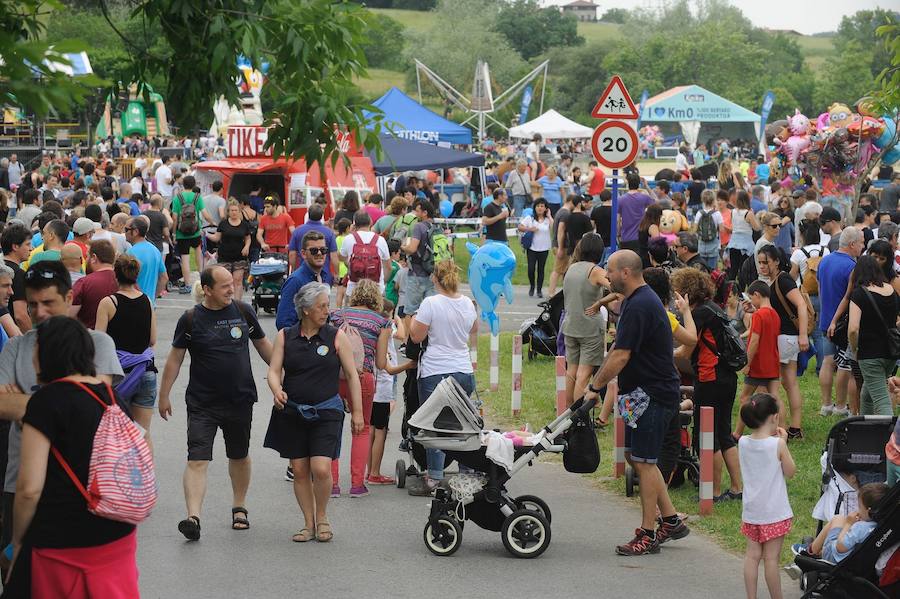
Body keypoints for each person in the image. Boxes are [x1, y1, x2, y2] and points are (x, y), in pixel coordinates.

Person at [0, 260, 123, 588]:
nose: (39, 313)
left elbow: (96, 407)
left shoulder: (98, 343)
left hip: (84, 484)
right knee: (14, 571)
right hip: (18, 478)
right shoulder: (16, 346)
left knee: (72, 578)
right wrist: (63, 405)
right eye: (32, 304)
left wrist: (30, 404)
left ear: (69, 298)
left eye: (48, 303)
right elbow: (2, 404)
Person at [582, 250, 689, 555]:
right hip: (636, 393)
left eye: (610, 271)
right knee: (634, 456)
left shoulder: (641, 304)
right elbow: (620, 347)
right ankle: (670, 519)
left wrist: (594, 387)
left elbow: (620, 354)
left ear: (626, 273)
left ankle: (648, 533)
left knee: (644, 461)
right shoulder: (633, 301)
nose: (606, 275)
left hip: (652, 393)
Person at [158, 266, 273, 540]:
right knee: (197, 459)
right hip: (202, 402)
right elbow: (175, 359)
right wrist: (163, 395)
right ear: (207, 290)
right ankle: (193, 517)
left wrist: (287, 375)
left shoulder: (243, 312)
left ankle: (239, 506)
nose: (230, 289)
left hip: (239, 399)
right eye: (223, 286)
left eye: (231, 284)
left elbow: (264, 346)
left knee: (239, 455)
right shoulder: (190, 319)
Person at [263, 282, 364, 543]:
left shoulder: (335, 336)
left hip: (327, 411)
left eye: (327, 306)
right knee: (299, 469)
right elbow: (274, 371)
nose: (326, 311)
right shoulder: (286, 335)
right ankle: (307, 523)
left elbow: (352, 375)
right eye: (321, 306)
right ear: (306, 309)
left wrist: (357, 412)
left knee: (320, 468)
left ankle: (322, 517)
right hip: (293, 411)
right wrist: (277, 390)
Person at [671, 267, 742, 501]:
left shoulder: (698, 314)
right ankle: (736, 488)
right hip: (727, 377)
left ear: (686, 293)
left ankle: (712, 491)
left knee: (707, 434)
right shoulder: (714, 308)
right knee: (724, 432)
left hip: (710, 377)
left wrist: (663, 353)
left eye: (678, 293)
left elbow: (686, 349)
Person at [408, 260, 478, 495]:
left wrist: (412, 321)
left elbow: (416, 337)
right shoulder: (467, 303)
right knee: (462, 423)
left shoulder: (431, 303)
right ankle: (467, 473)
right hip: (462, 366)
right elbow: (473, 329)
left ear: (434, 279)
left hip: (436, 368)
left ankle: (434, 477)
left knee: (433, 425)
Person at [329, 279, 391, 498]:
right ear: (376, 298)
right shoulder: (381, 322)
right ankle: (356, 485)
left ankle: (332, 484)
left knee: (331, 429)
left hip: (335, 377)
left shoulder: (337, 316)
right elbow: (381, 363)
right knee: (362, 429)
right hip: (363, 378)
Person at [738, 393, 796, 599]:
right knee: (771, 559)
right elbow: (790, 471)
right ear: (774, 417)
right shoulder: (777, 445)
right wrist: (784, 442)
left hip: (752, 510)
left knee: (752, 556)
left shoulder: (743, 442)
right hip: (774, 511)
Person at [94, 254, 157, 439]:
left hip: (119, 372)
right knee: (142, 433)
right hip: (145, 370)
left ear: (116, 275)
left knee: (114, 432)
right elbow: (152, 339)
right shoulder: (146, 300)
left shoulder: (108, 303)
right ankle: (146, 468)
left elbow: (100, 342)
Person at [819, 227, 864, 416]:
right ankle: (840, 406)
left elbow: (821, 289)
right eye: (861, 242)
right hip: (844, 323)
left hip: (825, 318)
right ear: (852, 244)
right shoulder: (852, 267)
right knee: (845, 365)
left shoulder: (824, 261)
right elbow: (851, 297)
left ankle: (826, 404)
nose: (863, 246)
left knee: (828, 362)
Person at [562, 234, 609, 408]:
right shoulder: (595, 271)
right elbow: (617, 288)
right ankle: (578, 415)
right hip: (589, 327)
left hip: (570, 325)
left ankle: (567, 412)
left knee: (572, 371)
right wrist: (601, 302)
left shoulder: (571, 268)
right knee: (584, 373)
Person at [847, 255, 899, 416]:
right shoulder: (891, 290)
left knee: (881, 399)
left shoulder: (859, 294)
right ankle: (865, 427)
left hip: (870, 354)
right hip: (891, 352)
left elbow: (853, 329)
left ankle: (890, 437)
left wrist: (854, 348)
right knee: (867, 394)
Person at [367, 299, 411, 485]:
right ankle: (375, 473)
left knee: (370, 431)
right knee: (380, 432)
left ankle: (369, 471)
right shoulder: (384, 332)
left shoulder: (371, 329)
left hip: (371, 389)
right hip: (382, 390)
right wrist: (411, 364)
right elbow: (390, 369)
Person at [794, 483, 889, 563]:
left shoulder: (861, 528)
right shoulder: (884, 526)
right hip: (860, 560)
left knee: (838, 519)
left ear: (869, 510)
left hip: (837, 558)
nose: (858, 510)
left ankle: (811, 551)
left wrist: (848, 524)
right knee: (841, 523)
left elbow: (840, 547)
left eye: (860, 507)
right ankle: (818, 551)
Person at [734, 281, 781, 437]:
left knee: (745, 398)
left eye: (751, 298)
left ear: (757, 295)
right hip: (773, 362)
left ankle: (737, 433)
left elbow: (754, 341)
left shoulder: (759, 315)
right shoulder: (774, 313)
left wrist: (747, 363)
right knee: (774, 399)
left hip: (758, 364)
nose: (750, 302)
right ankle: (777, 431)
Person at [275, 230, 334, 331]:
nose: (320, 253)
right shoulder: (295, 281)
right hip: (302, 343)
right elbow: (283, 322)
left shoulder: (325, 276)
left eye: (323, 250)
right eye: (314, 250)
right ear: (303, 253)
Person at [204, 200, 251, 301]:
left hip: (240, 256)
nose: (234, 212)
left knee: (237, 281)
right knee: (225, 281)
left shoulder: (244, 225)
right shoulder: (223, 224)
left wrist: (246, 247)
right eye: (232, 210)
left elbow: (248, 238)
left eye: (236, 210)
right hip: (224, 256)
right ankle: (227, 301)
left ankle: (238, 303)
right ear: (228, 212)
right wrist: (206, 235)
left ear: (239, 212)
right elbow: (217, 238)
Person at [340, 211, 390, 298]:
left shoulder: (348, 239)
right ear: (370, 222)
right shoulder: (380, 240)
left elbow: (342, 257)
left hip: (354, 290)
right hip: (376, 289)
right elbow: (388, 267)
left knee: (353, 311)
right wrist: (382, 280)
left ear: (354, 224)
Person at [71, 239, 118, 329]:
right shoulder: (126, 283)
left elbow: (68, 316)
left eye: (87, 256)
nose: (86, 260)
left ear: (94, 258)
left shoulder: (84, 283)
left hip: (90, 338)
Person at [171, 176, 205, 287]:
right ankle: (201, 278)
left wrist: (174, 233)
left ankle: (187, 284)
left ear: (183, 184)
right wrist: (212, 222)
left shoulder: (178, 198)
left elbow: (175, 217)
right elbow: (204, 213)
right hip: (195, 231)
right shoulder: (197, 197)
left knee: (185, 258)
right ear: (194, 184)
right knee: (198, 252)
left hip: (182, 232)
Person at [125, 216, 167, 305]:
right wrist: (153, 297)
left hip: (133, 303)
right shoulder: (155, 250)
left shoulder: (130, 253)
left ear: (135, 232)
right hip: (150, 304)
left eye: (126, 229)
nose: (124, 233)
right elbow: (164, 277)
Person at [288, 202, 337, 275]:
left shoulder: (297, 231)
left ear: (308, 214)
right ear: (322, 216)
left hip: (303, 274)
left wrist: (294, 270)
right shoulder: (329, 232)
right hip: (324, 275)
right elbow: (334, 256)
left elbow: (292, 254)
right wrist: (337, 273)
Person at [518, 198, 553, 297]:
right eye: (538, 206)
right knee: (531, 269)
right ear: (535, 207)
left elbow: (554, 227)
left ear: (546, 208)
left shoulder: (547, 220)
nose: (540, 208)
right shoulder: (530, 218)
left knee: (541, 269)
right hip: (532, 248)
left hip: (544, 248)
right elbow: (520, 227)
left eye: (542, 206)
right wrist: (530, 229)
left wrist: (549, 216)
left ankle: (539, 290)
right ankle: (532, 286)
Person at [2, 223, 32, 333]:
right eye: (27, 244)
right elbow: (20, 316)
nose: (31, 248)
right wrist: (33, 341)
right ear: (15, 246)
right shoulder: (18, 274)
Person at [726, 190, 761, 281]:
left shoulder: (732, 211)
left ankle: (730, 289)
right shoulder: (748, 213)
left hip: (733, 242)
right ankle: (741, 290)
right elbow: (757, 228)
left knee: (733, 269)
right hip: (745, 244)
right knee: (743, 269)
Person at [617, 173, 655, 254]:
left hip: (625, 238)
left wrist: (618, 234)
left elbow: (618, 220)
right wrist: (646, 186)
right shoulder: (644, 198)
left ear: (628, 183)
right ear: (639, 184)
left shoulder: (620, 200)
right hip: (640, 237)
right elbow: (656, 201)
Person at [548, 194, 576, 296]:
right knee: (558, 270)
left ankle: (557, 291)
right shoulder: (565, 214)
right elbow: (561, 230)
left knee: (562, 269)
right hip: (562, 246)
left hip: (558, 244)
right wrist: (560, 247)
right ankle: (551, 292)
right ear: (571, 201)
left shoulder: (560, 211)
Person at [692, 190, 723, 270]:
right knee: (712, 270)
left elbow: (694, 230)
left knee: (702, 269)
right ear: (713, 200)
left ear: (702, 200)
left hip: (702, 245)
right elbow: (722, 229)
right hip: (713, 244)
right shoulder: (717, 214)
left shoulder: (699, 213)